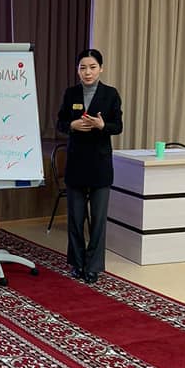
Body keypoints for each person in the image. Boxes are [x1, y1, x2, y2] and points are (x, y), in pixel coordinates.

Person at [56, 48, 123, 283]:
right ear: (77, 70)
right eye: (83, 67)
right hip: (76, 163)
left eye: (92, 67)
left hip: (100, 165)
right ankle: (77, 262)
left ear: (101, 69)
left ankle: (93, 266)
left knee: (98, 220)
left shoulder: (110, 94)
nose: (87, 72)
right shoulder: (71, 93)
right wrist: (71, 125)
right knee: (75, 218)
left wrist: (103, 126)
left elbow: (118, 126)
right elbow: (60, 122)